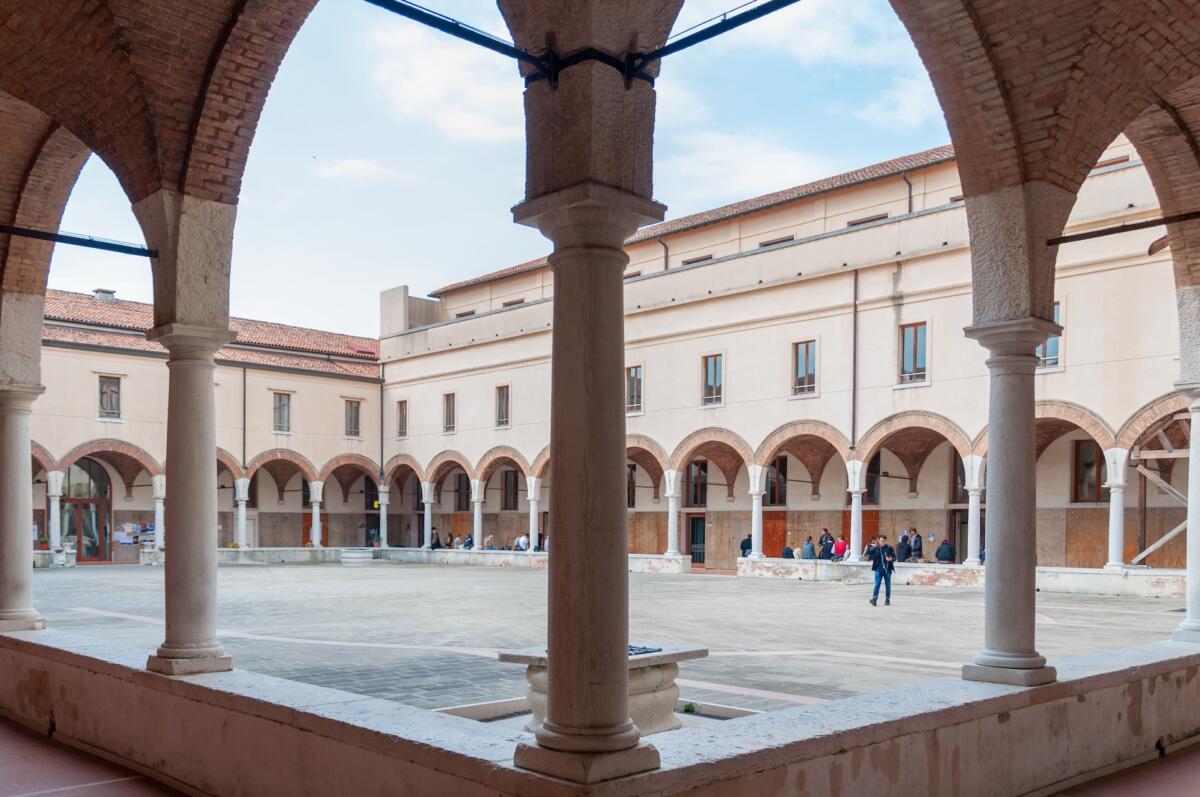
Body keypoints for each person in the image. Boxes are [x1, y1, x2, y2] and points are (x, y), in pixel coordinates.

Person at [866, 533, 896, 606]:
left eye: (884, 541)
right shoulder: (876, 548)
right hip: (878, 569)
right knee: (877, 584)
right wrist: (871, 546)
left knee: (888, 584)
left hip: (887, 569)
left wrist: (891, 559)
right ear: (879, 541)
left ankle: (887, 599)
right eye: (882, 541)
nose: (883, 542)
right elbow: (868, 553)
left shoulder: (889, 548)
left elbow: (895, 557)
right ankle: (874, 599)